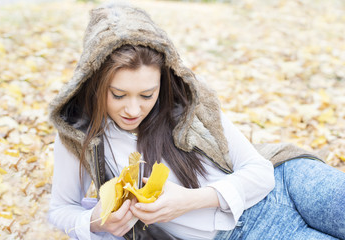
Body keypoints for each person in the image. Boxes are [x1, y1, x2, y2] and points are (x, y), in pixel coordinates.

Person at [48, 2, 345, 240]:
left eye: (147, 94)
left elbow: (260, 172)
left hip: (287, 181)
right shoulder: (79, 135)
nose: (133, 109)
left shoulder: (186, 105)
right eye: (119, 95)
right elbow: (61, 209)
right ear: (96, 85)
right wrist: (96, 222)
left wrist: (190, 200)